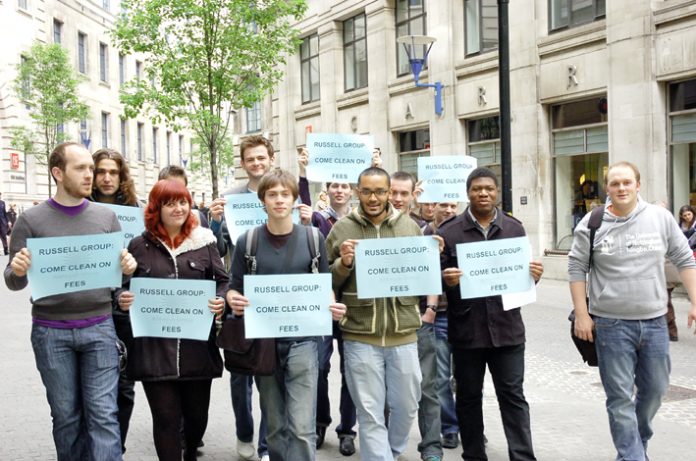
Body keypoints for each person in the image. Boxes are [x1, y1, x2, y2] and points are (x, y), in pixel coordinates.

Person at [4, 142, 137, 460]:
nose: (90, 174)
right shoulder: (31, 221)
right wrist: (18, 270)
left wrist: (126, 270)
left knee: (103, 415)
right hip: (51, 333)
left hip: (100, 329)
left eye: (91, 168)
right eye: (81, 168)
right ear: (57, 173)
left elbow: (116, 282)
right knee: (66, 418)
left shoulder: (106, 218)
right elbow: (12, 280)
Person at [569, 161, 696, 461]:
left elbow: (684, 259)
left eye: (627, 182)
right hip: (610, 325)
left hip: (654, 323)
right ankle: (633, 456)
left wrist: (694, 300)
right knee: (620, 398)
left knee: (654, 391)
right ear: (608, 188)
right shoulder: (592, 222)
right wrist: (582, 313)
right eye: (615, 183)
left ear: (638, 185)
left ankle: (636, 445)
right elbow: (576, 268)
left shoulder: (660, 218)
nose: (621, 188)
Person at [226, 169, 346, 461]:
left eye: (285, 194)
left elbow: (324, 286)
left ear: (294, 199)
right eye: (272, 194)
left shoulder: (313, 239)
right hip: (263, 344)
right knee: (276, 426)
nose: (279, 200)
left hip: (303, 343)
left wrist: (332, 306)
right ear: (262, 200)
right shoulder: (248, 241)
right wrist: (235, 300)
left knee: (302, 428)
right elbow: (233, 288)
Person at [116, 179, 227, 461]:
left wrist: (221, 300)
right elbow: (121, 285)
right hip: (155, 348)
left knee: (196, 418)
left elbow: (223, 282)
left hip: (197, 349)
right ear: (156, 208)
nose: (178, 209)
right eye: (169, 203)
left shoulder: (204, 242)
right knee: (165, 418)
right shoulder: (139, 245)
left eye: (182, 202)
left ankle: (190, 451)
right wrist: (123, 297)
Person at [439, 167, 543, 461]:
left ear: (497, 192)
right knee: (469, 399)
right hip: (467, 332)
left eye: (488, 189)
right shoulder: (450, 232)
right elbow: (434, 280)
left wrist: (534, 276)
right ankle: (473, 455)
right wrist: (446, 280)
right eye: (476, 189)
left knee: (513, 398)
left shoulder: (514, 228)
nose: (483, 193)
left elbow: (521, 280)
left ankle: (523, 456)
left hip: (507, 331)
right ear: (468, 193)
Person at [325, 167, 424, 461]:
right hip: (360, 335)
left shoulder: (409, 227)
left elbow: (423, 277)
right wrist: (343, 263)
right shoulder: (341, 229)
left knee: (407, 406)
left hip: (403, 333)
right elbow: (325, 280)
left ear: (389, 192)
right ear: (357, 192)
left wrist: (432, 256)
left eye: (380, 191)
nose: (373, 197)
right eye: (366, 191)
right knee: (369, 413)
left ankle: (390, 453)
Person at [207, 135, 275, 461]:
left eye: (262, 158)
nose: (257, 164)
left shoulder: (281, 193)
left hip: (273, 297)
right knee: (239, 376)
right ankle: (244, 432)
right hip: (239, 294)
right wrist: (216, 221)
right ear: (243, 163)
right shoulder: (231, 199)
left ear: (271, 159)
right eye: (251, 159)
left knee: (268, 375)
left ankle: (265, 444)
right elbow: (219, 251)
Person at [297, 148, 358, 455]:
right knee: (319, 367)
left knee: (352, 370)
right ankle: (320, 422)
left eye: (345, 185)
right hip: (322, 305)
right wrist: (304, 173)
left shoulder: (362, 222)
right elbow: (303, 207)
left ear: (352, 191)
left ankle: (347, 429)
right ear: (328, 190)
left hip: (354, 306)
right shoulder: (317, 220)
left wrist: (376, 166)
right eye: (334, 185)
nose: (339, 190)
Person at [88, 148, 140, 454]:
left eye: (113, 172)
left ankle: (114, 449)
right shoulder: (80, 208)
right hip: (90, 307)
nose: (107, 178)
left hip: (124, 309)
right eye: (100, 171)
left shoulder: (135, 211)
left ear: (122, 177)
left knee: (124, 387)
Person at [424, 202, 460, 450]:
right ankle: (450, 427)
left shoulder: (461, 233)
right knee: (440, 377)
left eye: (452, 205)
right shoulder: (422, 235)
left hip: (465, 315)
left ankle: (469, 422)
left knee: (467, 378)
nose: (448, 209)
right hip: (438, 315)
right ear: (431, 206)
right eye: (442, 205)